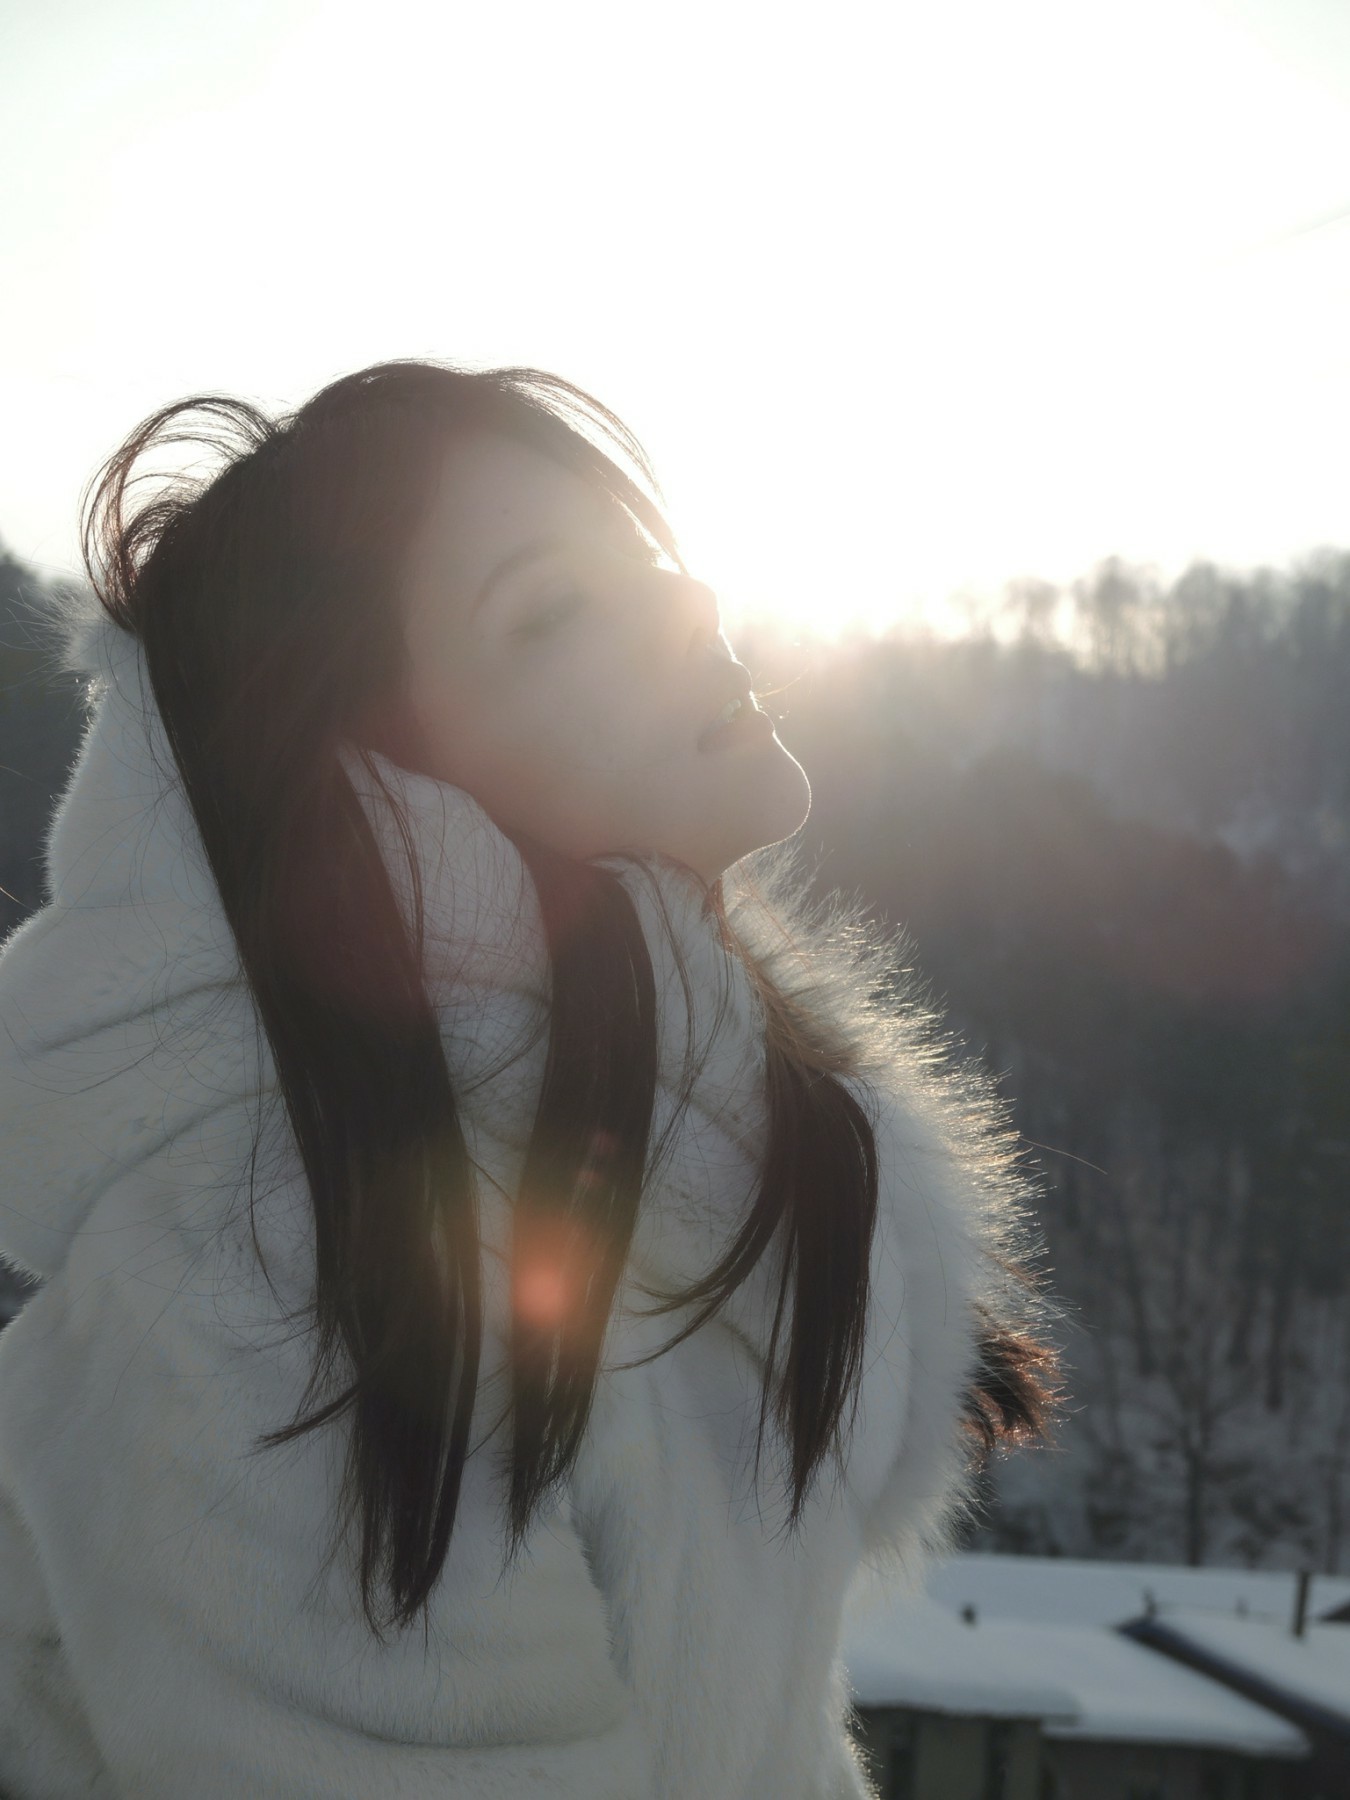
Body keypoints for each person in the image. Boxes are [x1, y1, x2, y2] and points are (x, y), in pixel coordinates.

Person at [0, 361, 1056, 1798]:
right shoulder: (269, 1276)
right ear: (384, 779)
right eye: (551, 612)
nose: (688, 606)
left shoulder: (690, 1140)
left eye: (647, 562)